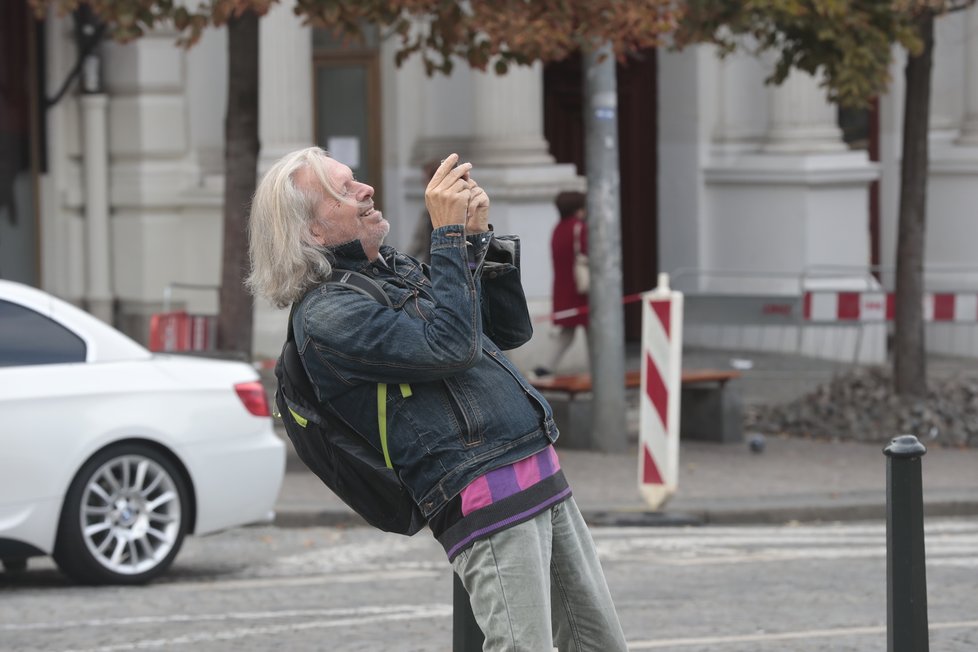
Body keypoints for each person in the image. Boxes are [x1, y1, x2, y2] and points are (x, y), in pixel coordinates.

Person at [247, 147, 626, 650]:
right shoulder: (326, 316)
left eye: (355, 178)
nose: (366, 190)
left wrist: (475, 238)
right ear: (312, 232)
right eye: (343, 189)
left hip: (537, 468)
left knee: (598, 643)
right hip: (484, 493)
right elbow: (449, 347)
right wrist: (447, 238)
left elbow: (504, 330)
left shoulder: (389, 272)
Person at [534, 190, 588, 378]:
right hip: (583, 288)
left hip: (563, 287)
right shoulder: (580, 228)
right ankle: (603, 372)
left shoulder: (558, 228)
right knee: (595, 329)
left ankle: (544, 367)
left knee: (566, 332)